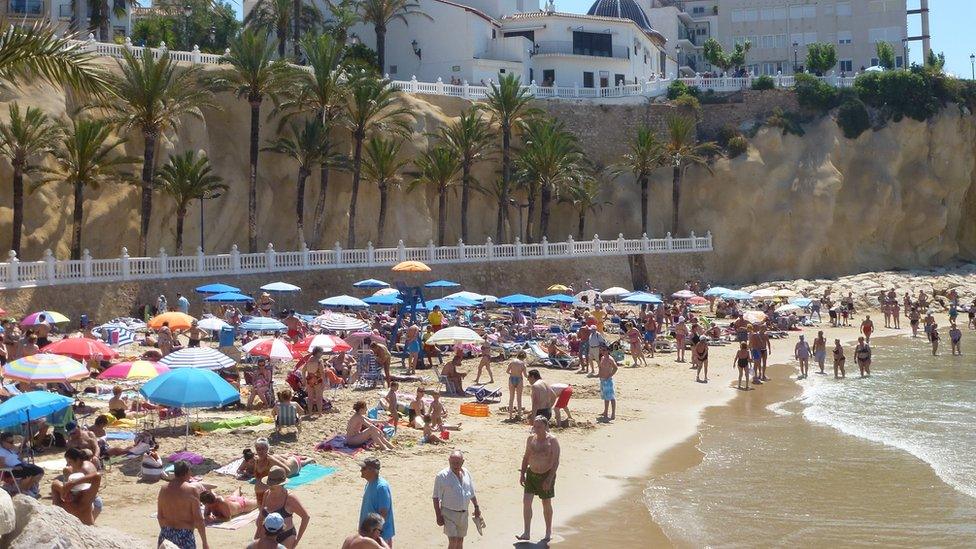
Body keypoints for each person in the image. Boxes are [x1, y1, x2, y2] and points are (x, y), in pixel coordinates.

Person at [518, 415, 560, 543]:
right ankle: (526, 532)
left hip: (546, 474)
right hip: (531, 474)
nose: (536, 429)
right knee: (526, 501)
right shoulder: (531, 439)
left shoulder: (552, 441)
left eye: (539, 427)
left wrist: (549, 479)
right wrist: (522, 473)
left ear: (546, 426)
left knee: (546, 503)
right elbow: (526, 457)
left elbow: (556, 461)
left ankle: (548, 531)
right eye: (534, 426)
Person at [432, 451, 481, 549]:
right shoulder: (442, 476)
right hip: (448, 513)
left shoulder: (466, 473)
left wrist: (476, 507)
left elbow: (471, 492)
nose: (455, 465)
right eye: (452, 463)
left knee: (460, 540)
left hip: (464, 513)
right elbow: (435, 497)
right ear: (449, 461)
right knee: (453, 540)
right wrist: (438, 516)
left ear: (463, 462)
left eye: (457, 463)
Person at [157, 461, 209, 549]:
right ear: (187, 472)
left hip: (166, 533)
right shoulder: (191, 490)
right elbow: (198, 519)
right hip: (185, 535)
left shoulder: (164, 489)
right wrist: (204, 543)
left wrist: (166, 531)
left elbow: (160, 516)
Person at [255, 466, 309, 548]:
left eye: (273, 484)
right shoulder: (267, 493)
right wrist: (257, 534)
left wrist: (297, 540)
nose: (270, 486)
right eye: (269, 484)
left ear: (281, 484)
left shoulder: (290, 498)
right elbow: (261, 516)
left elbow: (306, 517)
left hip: (286, 536)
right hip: (267, 534)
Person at [51, 447, 101, 524]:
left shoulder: (61, 505)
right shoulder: (85, 503)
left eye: (69, 462)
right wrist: (71, 484)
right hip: (89, 500)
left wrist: (64, 489)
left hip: (94, 501)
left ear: (77, 460)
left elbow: (54, 484)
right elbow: (97, 477)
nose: (67, 464)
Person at [252, 438, 303, 505]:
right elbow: (257, 476)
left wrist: (276, 483)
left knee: (301, 461)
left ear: (267, 449)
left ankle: (307, 460)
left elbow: (287, 471)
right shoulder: (257, 461)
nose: (260, 451)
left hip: (294, 464)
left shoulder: (271, 459)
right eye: (258, 449)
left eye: (263, 449)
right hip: (260, 493)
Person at [360, 457, 396, 548]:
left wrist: (376, 534)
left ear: (372, 470)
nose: (361, 470)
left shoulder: (381, 487)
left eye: (364, 468)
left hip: (379, 537)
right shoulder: (369, 483)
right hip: (369, 534)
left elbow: (383, 513)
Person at [302, 348, 326, 414]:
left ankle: (310, 412)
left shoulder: (309, 360)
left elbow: (303, 370)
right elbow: (322, 372)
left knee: (310, 398)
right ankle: (320, 413)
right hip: (317, 380)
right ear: (318, 353)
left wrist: (304, 379)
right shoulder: (319, 361)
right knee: (319, 398)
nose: (322, 354)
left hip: (309, 380)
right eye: (321, 352)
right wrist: (324, 382)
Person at [598, 346, 618, 420]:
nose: (602, 351)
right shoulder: (603, 358)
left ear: (608, 351)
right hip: (603, 379)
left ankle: (612, 413)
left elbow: (615, 368)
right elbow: (601, 368)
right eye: (602, 350)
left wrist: (610, 375)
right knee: (605, 397)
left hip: (608, 380)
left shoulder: (610, 359)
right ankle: (605, 411)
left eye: (604, 350)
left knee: (611, 397)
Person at [506, 352, 528, 420]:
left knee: (511, 398)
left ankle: (510, 416)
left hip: (511, 379)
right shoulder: (523, 364)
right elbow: (525, 375)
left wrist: (512, 373)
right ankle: (519, 415)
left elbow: (507, 371)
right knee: (519, 398)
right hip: (519, 379)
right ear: (524, 357)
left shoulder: (512, 362)